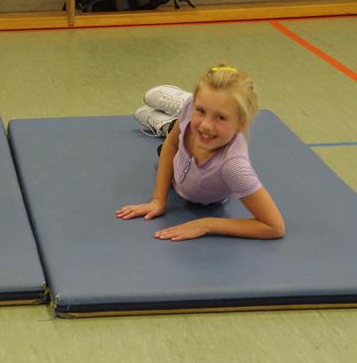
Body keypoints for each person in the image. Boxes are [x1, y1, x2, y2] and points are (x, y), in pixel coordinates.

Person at [116, 65, 285, 241]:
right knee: (178, 133)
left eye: (220, 117)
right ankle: (176, 113)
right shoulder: (191, 111)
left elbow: (275, 226)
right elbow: (171, 144)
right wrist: (158, 200)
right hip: (182, 162)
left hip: (195, 182)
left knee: (195, 132)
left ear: (241, 124)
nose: (206, 124)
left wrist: (206, 224)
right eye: (201, 110)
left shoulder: (233, 166)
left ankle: (169, 122)